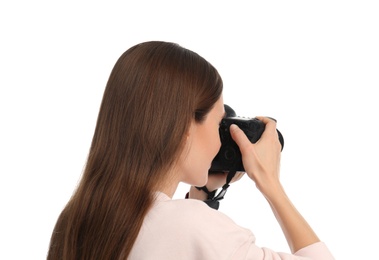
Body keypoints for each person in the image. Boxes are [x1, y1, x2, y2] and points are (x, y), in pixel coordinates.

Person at [47, 41, 334, 259]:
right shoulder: (191, 224)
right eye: (219, 121)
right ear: (185, 127)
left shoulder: (76, 220)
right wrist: (270, 183)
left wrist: (202, 197)